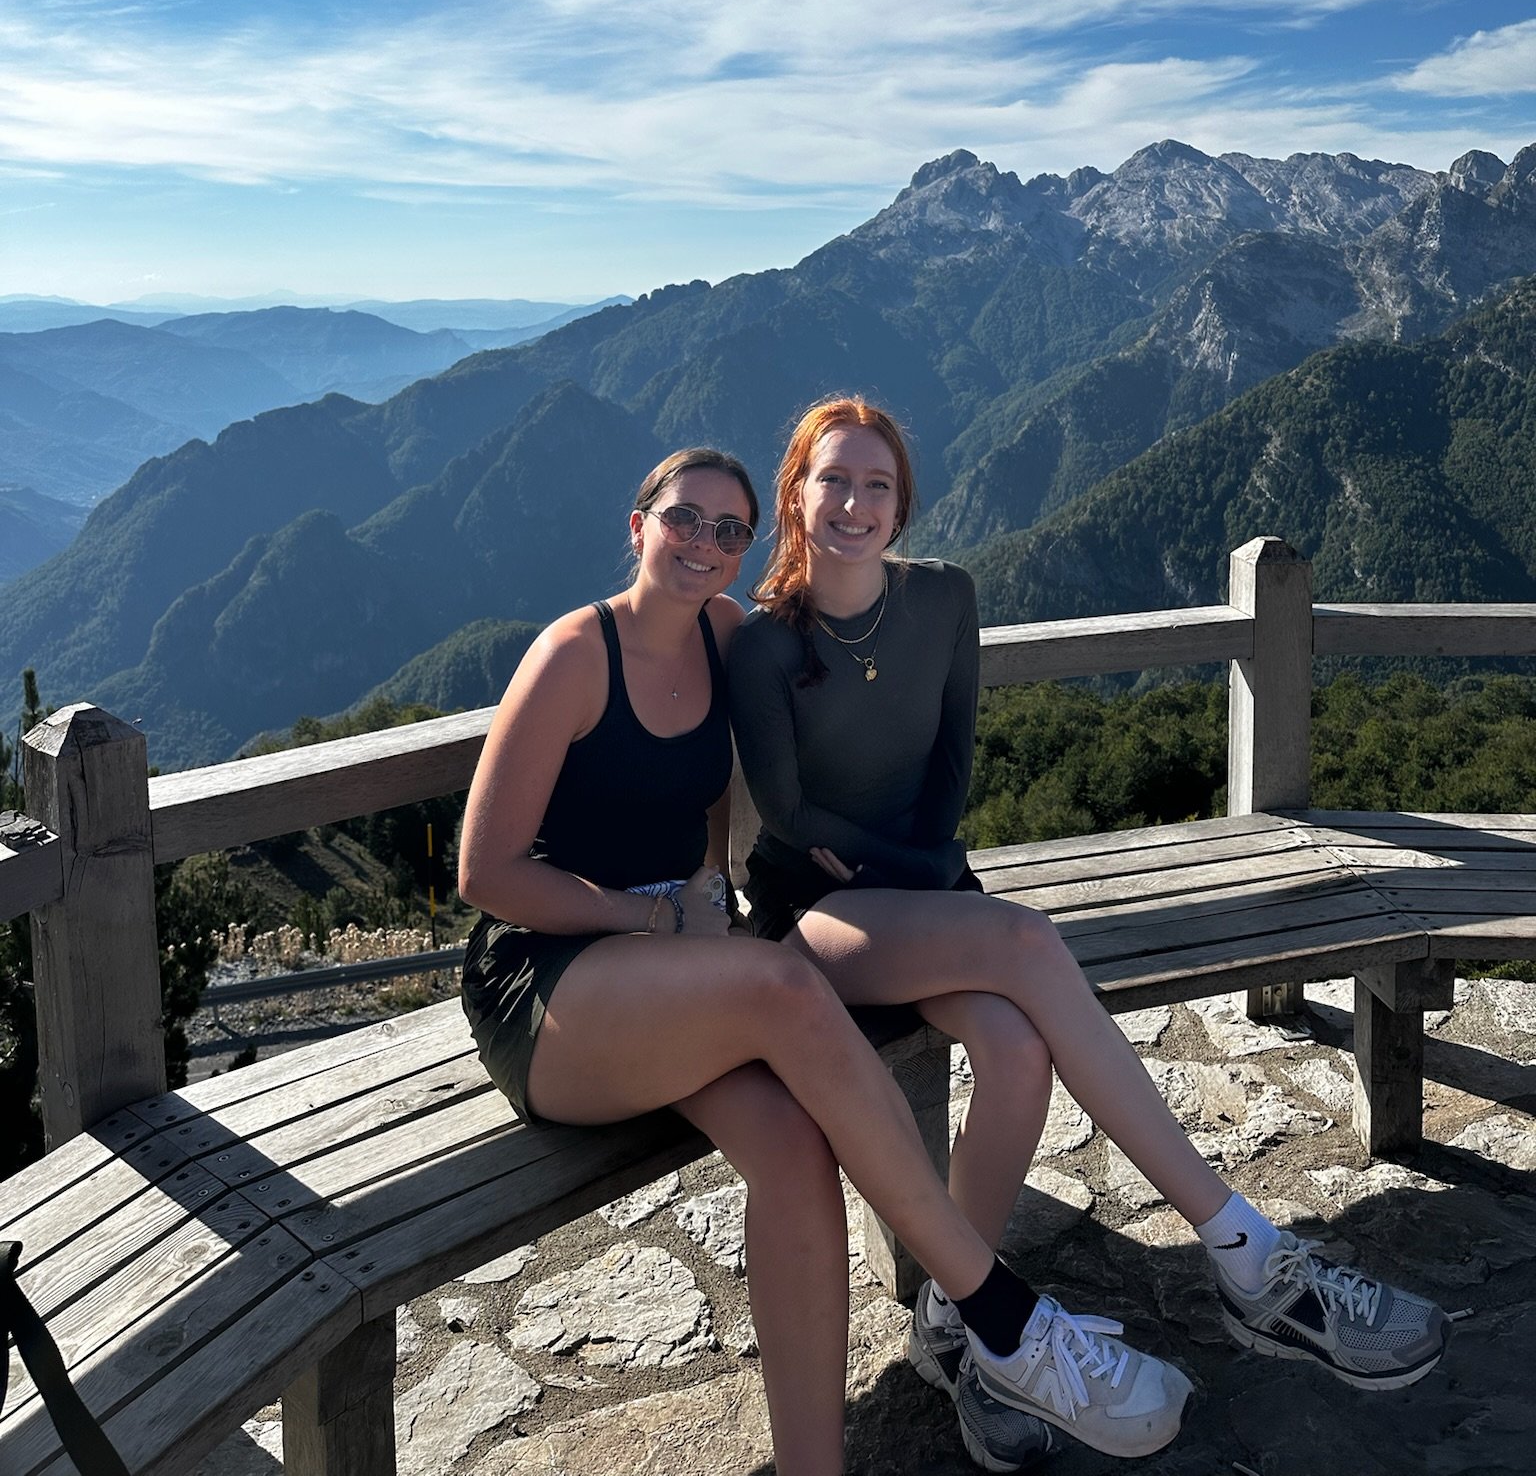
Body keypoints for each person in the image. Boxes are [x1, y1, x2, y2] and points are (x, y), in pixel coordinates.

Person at [728, 396, 1450, 1461]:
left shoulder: (943, 599)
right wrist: (931, 885)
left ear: (902, 504)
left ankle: (955, 1318)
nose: (853, 502)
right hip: (815, 920)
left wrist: (930, 878)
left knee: (1018, 1051)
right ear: (795, 492)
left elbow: (950, 774)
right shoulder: (763, 643)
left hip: (925, 887)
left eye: (876, 483)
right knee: (1024, 942)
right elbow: (789, 819)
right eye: (832, 478)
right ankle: (1244, 1250)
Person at [458, 446, 1193, 1476]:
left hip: (672, 970)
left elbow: (714, 785)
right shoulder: (577, 652)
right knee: (783, 983)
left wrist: (706, 883)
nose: (704, 543)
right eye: (683, 518)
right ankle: (1002, 1316)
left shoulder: (726, 637)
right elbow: (484, 870)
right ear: (637, 524)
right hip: (549, 982)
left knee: (798, 1150)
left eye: (727, 528)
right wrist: (648, 914)